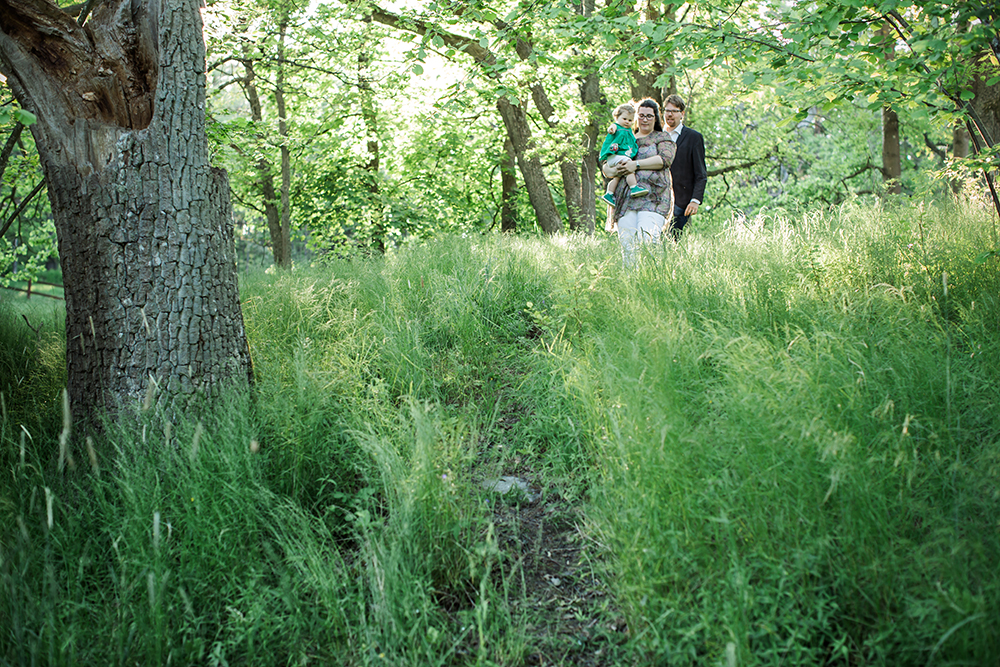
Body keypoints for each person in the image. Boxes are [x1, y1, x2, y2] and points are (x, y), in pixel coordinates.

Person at [602, 98, 677, 265]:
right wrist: (616, 170)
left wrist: (634, 165)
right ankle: (631, 286)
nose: (644, 119)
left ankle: (652, 280)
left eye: (649, 116)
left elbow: (665, 159)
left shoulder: (662, 137)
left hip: (653, 197)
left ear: (656, 118)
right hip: (626, 199)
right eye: (641, 115)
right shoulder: (624, 136)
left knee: (647, 238)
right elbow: (607, 165)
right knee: (628, 245)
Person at [662, 94, 708, 238]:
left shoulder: (693, 137)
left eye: (674, 111)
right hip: (654, 199)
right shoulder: (656, 135)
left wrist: (695, 200)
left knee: (671, 241)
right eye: (667, 110)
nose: (670, 114)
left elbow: (700, 173)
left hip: (680, 201)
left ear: (681, 114)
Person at [599, 103, 649, 208]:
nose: (627, 122)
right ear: (617, 117)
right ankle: (634, 187)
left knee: (617, 178)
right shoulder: (617, 127)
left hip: (616, 158)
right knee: (629, 167)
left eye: (630, 120)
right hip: (615, 155)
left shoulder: (629, 131)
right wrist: (611, 129)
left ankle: (609, 194)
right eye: (624, 119)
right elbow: (612, 127)